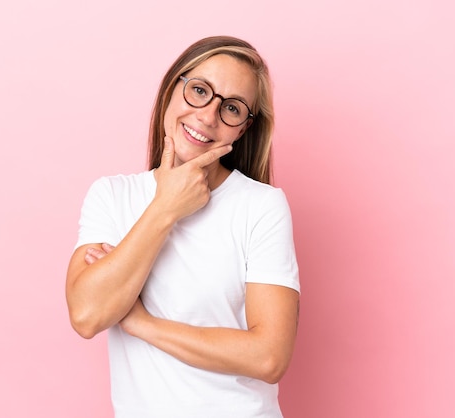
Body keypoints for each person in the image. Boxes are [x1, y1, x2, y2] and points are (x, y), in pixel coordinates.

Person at [66, 35, 300, 418]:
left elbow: (269, 357)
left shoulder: (261, 206)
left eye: (232, 108)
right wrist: (166, 209)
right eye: (199, 90)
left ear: (242, 129)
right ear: (172, 88)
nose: (208, 116)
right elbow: (88, 315)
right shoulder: (112, 196)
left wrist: (142, 324)